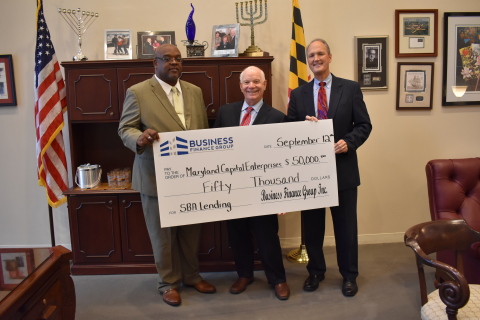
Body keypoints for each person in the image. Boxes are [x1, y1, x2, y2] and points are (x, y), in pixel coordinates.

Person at [118, 44, 215, 307]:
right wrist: (139, 137)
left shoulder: (194, 91)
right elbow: (125, 127)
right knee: (163, 235)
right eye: (167, 59)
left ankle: (192, 276)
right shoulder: (137, 92)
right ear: (155, 64)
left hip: (192, 177)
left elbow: (202, 130)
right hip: (155, 177)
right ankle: (168, 283)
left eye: (178, 59)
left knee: (191, 231)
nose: (174, 63)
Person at [287, 38, 372, 297]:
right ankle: (315, 272)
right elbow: (289, 129)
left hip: (343, 169)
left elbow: (364, 125)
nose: (315, 59)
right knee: (312, 227)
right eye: (311, 55)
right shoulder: (298, 93)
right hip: (310, 172)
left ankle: (349, 275)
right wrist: (304, 125)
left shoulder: (350, 88)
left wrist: (349, 141)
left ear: (330, 57)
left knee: (345, 227)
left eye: (320, 54)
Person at [214, 66, 290, 301]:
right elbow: (214, 148)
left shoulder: (277, 117)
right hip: (233, 187)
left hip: (263, 188)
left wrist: (281, 193)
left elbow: (282, 159)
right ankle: (244, 275)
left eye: (256, 81)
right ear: (240, 86)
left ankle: (277, 279)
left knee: (267, 236)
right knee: (238, 234)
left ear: (265, 85)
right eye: (247, 82)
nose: (251, 86)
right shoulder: (226, 113)